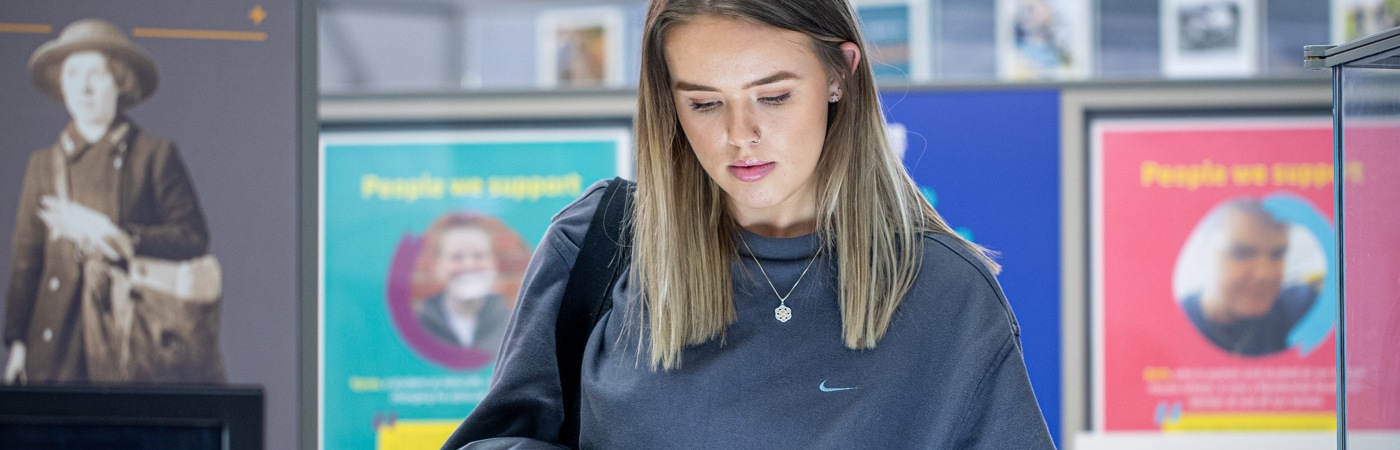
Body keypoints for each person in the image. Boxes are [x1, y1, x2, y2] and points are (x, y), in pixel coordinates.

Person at [443, 0, 1054, 448]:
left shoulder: (949, 295)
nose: (740, 135)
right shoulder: (600, 245)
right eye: (704, 103)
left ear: (840, 74)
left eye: (774, 95)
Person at [4, 19, 211, 384]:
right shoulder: (43, 164)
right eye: (72, 74)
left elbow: (193, 236)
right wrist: (18, 344)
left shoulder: (154, 155)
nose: (83, 87)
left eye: (96, 73)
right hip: (54, 343)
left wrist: (123, 239)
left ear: (120, 81)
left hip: (126, 337)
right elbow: (27, 262)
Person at [1181, 199, 1318, 357]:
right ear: (1203, 253)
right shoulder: (1175, 325)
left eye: (1277, 254)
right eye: (1242, 253)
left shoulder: (1302, 309)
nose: (1264, 274)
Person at [415, 214, 513, 357]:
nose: (468, 265)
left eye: (478, 256)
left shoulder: (512, 324)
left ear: (494, 264)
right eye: (456, 257)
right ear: (437, 267)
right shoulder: (420, 327)